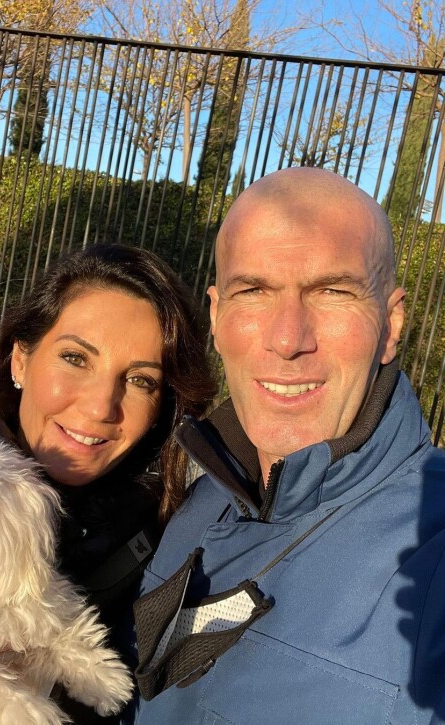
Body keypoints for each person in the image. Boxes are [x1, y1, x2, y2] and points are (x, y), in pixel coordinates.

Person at [128, 168, 445, 724]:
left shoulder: (431, 551)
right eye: (254, 290)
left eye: (332, 292)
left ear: (391, 326)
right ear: (218, 316)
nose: (287, 339)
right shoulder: (201, 503)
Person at [0, 244, 217, 723]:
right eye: (75, 358)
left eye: (140, 380)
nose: (99, 407)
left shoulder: (165, 545)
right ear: (20, 361)